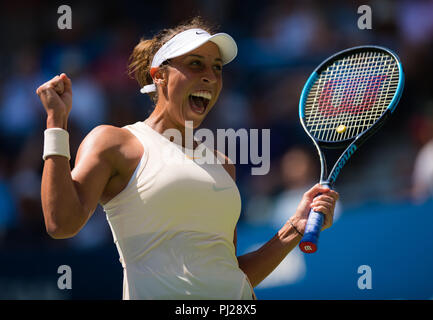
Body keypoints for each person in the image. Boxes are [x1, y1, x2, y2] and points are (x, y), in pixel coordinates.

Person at [36, 17, 339, 300]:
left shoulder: (222, 163)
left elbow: (231, 272)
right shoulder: (114, 142)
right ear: (160, 76)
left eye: (217, 68)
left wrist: (294, 227)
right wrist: (56, 123)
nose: (210, 77)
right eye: (196, 64)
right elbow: (61, 224)